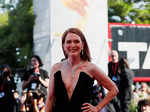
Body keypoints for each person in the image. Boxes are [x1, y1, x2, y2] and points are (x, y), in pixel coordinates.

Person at [46, 27, 118, 112]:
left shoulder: (91, 68)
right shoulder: (56, 68)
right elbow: (50, 98)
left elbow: (114, 89)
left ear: (82, 45)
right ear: (64, 46)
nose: (72, 45)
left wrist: (97, 108)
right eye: (68, 42)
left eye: (76, 41)